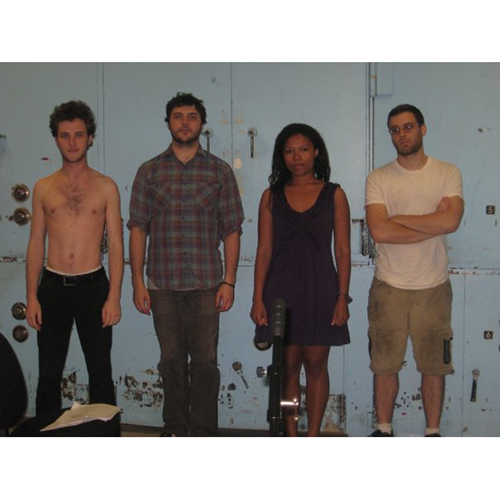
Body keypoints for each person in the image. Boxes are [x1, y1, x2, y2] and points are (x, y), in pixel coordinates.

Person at [128, 92, 244, 437]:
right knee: (171, 361)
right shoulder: (149, 171)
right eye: (178, 116)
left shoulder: (219, 171)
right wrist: (137, 282)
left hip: (207, 284)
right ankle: (175, 427)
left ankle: (204, 429)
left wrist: (229, 281)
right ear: (168, 123)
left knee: (205, 363)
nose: (185, 123)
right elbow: (138, 228)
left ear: (201, 124)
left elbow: (232, 229)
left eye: (192, 116)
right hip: (161, 285)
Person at [365, 104, 464, 437]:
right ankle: (383, 430)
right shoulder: (379, 178)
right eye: (395, 130)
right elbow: (380, 231)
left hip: (433, 286)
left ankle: (432, 433)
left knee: (434, 366)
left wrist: (398, 219)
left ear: (422, 129)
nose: (401, 134)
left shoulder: (447, 173)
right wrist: (432, 223)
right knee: (384, 365)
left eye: (408, 127)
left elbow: (452, 221)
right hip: (388, 285)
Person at [251, 123, 351, 437]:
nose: (297, 157)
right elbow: (263, 251)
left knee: (317, 367)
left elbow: (343, 251)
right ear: (282, 157)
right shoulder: (271, 196)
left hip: (321, 290)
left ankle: (313, 436)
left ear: (316, 152)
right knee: (288, 369)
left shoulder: (335, 194)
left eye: (304, 149)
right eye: (290, 151)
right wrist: (257, 299)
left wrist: (342, 298)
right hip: (281, 293)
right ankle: (292, 435)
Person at [26, 100, 124, 416]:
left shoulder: (106, 187)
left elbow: (117, 245)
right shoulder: (43, 187)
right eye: (65, 135)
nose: (72, 142)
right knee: (48, 372)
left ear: (90, 138)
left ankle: (105, 435)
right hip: (52, 287)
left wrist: (113, 297)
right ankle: (46, 435)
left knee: (100, 370)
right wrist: (32, 297)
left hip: (93, 287)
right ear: (56, 139)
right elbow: (35, 244)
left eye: (79, 135)